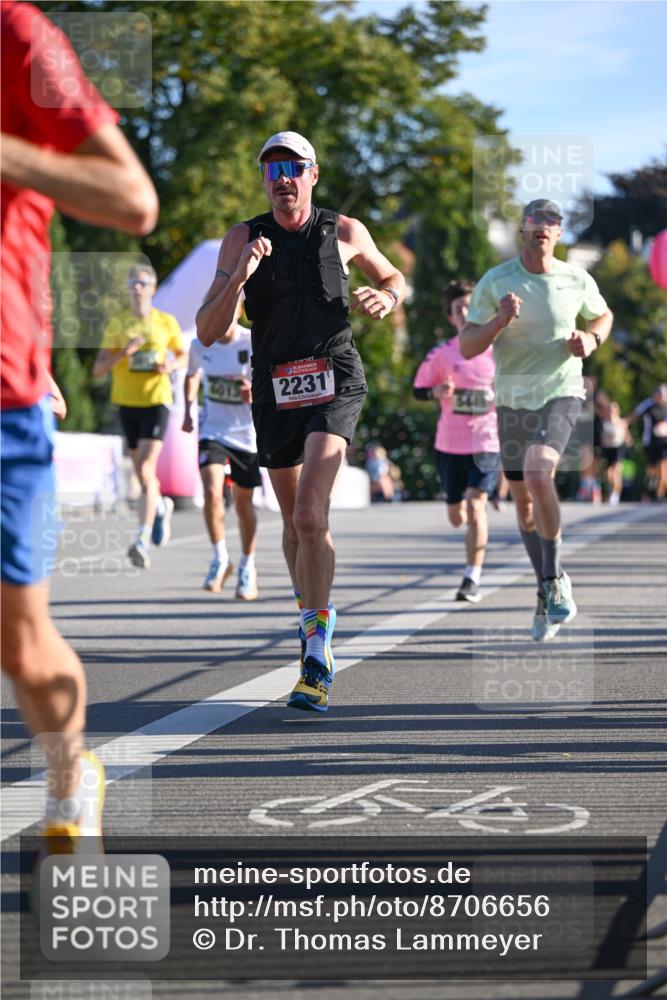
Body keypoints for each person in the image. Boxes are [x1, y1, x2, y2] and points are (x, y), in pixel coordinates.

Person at [1, 0, 158, 846]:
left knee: (20, 645)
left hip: (2, 397)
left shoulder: (17, 39)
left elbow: (134, 202)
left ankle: (70, 771)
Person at [196, 130, 406, 712]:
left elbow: (393, 277)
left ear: (313, 174)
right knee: (293, 525)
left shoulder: (344, 231)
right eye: (272, 170)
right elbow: (207, 331)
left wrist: (388, 297)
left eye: (293, 167)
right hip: (273, 387)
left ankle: (317, 649)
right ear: (264, 181)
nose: (282, 178)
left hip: (334, 376)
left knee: (313, 512)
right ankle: (311, 614)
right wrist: (238, 275)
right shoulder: (242, 237)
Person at [460, 199, 613, 640]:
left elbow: (603, 315)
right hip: (511, 402)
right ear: (522, 229)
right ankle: (549, 586)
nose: (544, 226)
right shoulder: (497, 281)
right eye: (536, 219)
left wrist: (592, 337)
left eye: (552, 221)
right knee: (523, 504)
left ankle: (553, 583)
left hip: (561, 393)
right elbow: (468, 345)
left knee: (538, 474)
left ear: (560, 233)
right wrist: (500, 321)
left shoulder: (575, 277)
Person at [93, 264, 187, 569]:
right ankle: (160, 506)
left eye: (142, 282)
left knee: (146, 469)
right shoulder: (118, 323)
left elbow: (183, 354)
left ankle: (142, 538)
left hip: (157, 400)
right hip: (127, 402)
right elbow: (98, 369)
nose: (135, 287)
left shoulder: (165, 322)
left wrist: (169, 367)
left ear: (153, 289)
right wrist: (124, 352)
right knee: (142, 475)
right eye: (131, 282)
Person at [413, 279, 500, 603]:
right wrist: (436, 392)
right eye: (457, 309)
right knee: (457, 516)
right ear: (450, 317)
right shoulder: (441, 354)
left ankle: (471, 578)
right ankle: (469, 503)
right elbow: (418, 389)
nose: (464, 313)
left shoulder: (498, 353)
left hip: (487, 441)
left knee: (476, 506)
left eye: (469, 307)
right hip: (450, 444)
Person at [183, 300, 261, 598]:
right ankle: (220, 557)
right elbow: (192, 375)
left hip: (247, 433)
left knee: (243, 504)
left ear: (239, 312)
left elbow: (269, 378)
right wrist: (190, 409)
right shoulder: (200, 344)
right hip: (213, 429)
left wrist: (253, 391)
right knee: (212, 491)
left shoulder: (252, 342)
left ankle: (247, 564)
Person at [627, 383, 667, 500]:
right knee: (652, 470)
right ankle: (649, 490)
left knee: (663, 466)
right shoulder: (648, 404)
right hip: (650, 441)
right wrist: (624, 428)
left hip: (664, 442)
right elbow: (634, 415)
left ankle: (660, 494)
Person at [599, 398, 630, 505]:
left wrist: (627, 441)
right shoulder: (603, 422)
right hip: (607, 449)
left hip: (618, 449)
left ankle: (616, 495)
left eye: (613, 410)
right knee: (608, 474)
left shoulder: (622, 422)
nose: (611, 412)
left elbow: (627, 437)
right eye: (610, 409)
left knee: (617, 472)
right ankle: (609, 492)